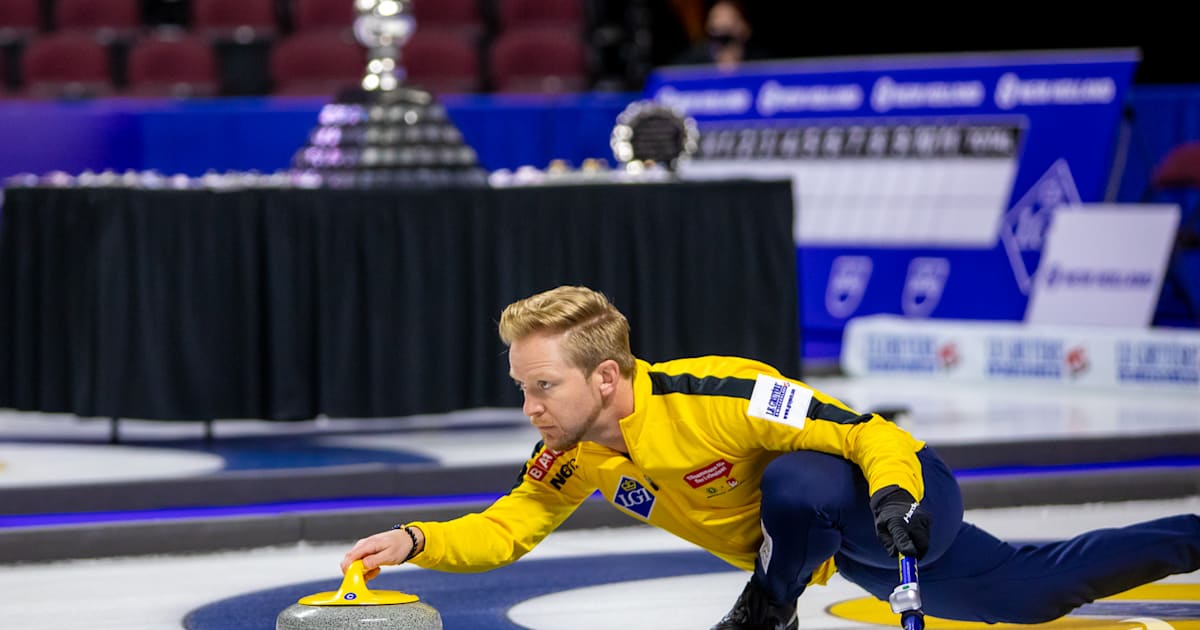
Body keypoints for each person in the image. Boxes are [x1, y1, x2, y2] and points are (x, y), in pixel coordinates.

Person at [342, 285, 1200, 629]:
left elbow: (868, 435)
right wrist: (416, 540)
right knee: (1028, 595)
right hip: (822, 545)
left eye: (541, 387)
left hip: (893, 499)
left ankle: (767, 608)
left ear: (606, 376)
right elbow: (508, 528)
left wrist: (899, 501)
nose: (528, 409)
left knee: (798, 475)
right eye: (521, 388)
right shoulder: (569, 456)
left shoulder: (724, 394)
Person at [671, 0, 769, 69]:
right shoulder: (693, 59)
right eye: (716, 18)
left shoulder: (761, 62)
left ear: (746, 29)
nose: (722, 24)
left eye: (732, 19)